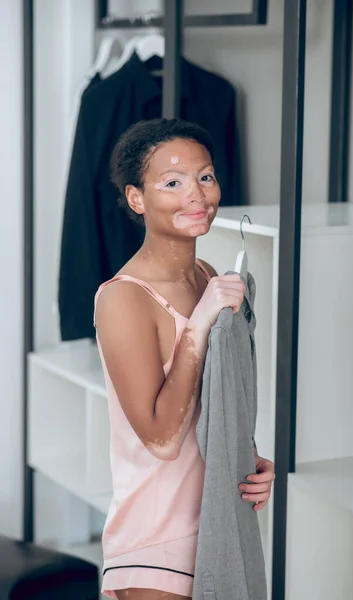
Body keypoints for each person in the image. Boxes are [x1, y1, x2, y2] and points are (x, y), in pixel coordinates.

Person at [94, 118, 275, 600]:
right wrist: (200, 321)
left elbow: (212, 402)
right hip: (155, 543)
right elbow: (161, 437)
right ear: (137, 198)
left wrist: (246, 456)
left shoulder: (206, 274)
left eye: (206, 177)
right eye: (172, 183)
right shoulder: (123, 299)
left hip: (216, 523)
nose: (196, 194)